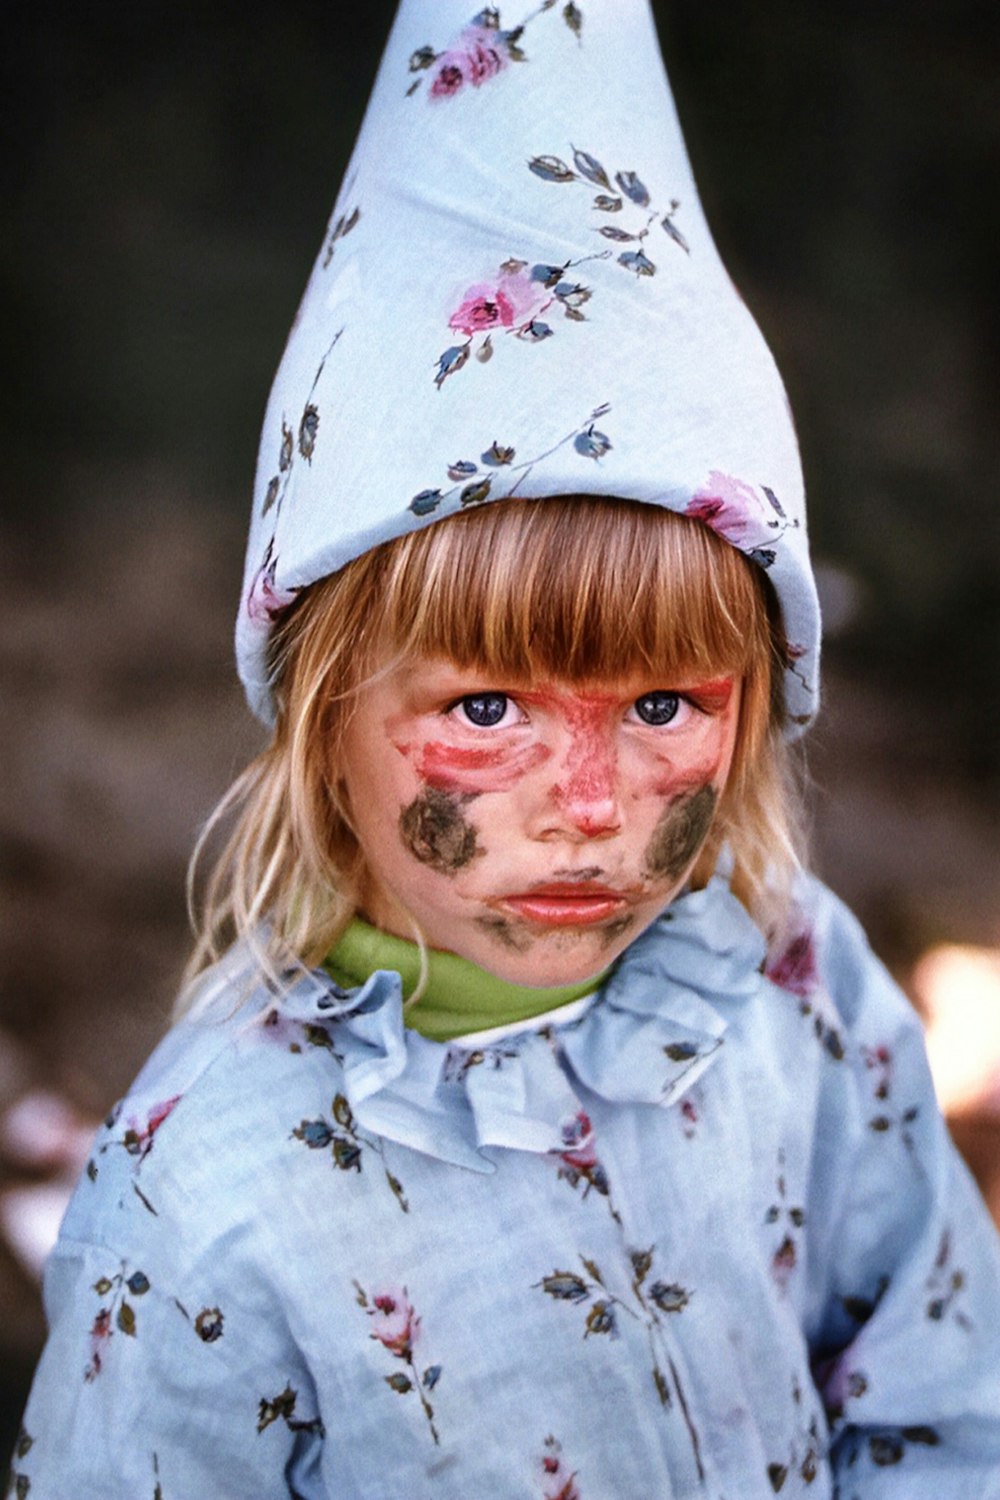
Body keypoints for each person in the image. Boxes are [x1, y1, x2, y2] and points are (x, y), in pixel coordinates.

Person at [10, 1, 1000, 1495]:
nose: (590, 811)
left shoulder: (799, 991)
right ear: (320, 713)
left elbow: (943, 1396)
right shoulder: (197, 1198)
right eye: (487, 708)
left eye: (666, 706)